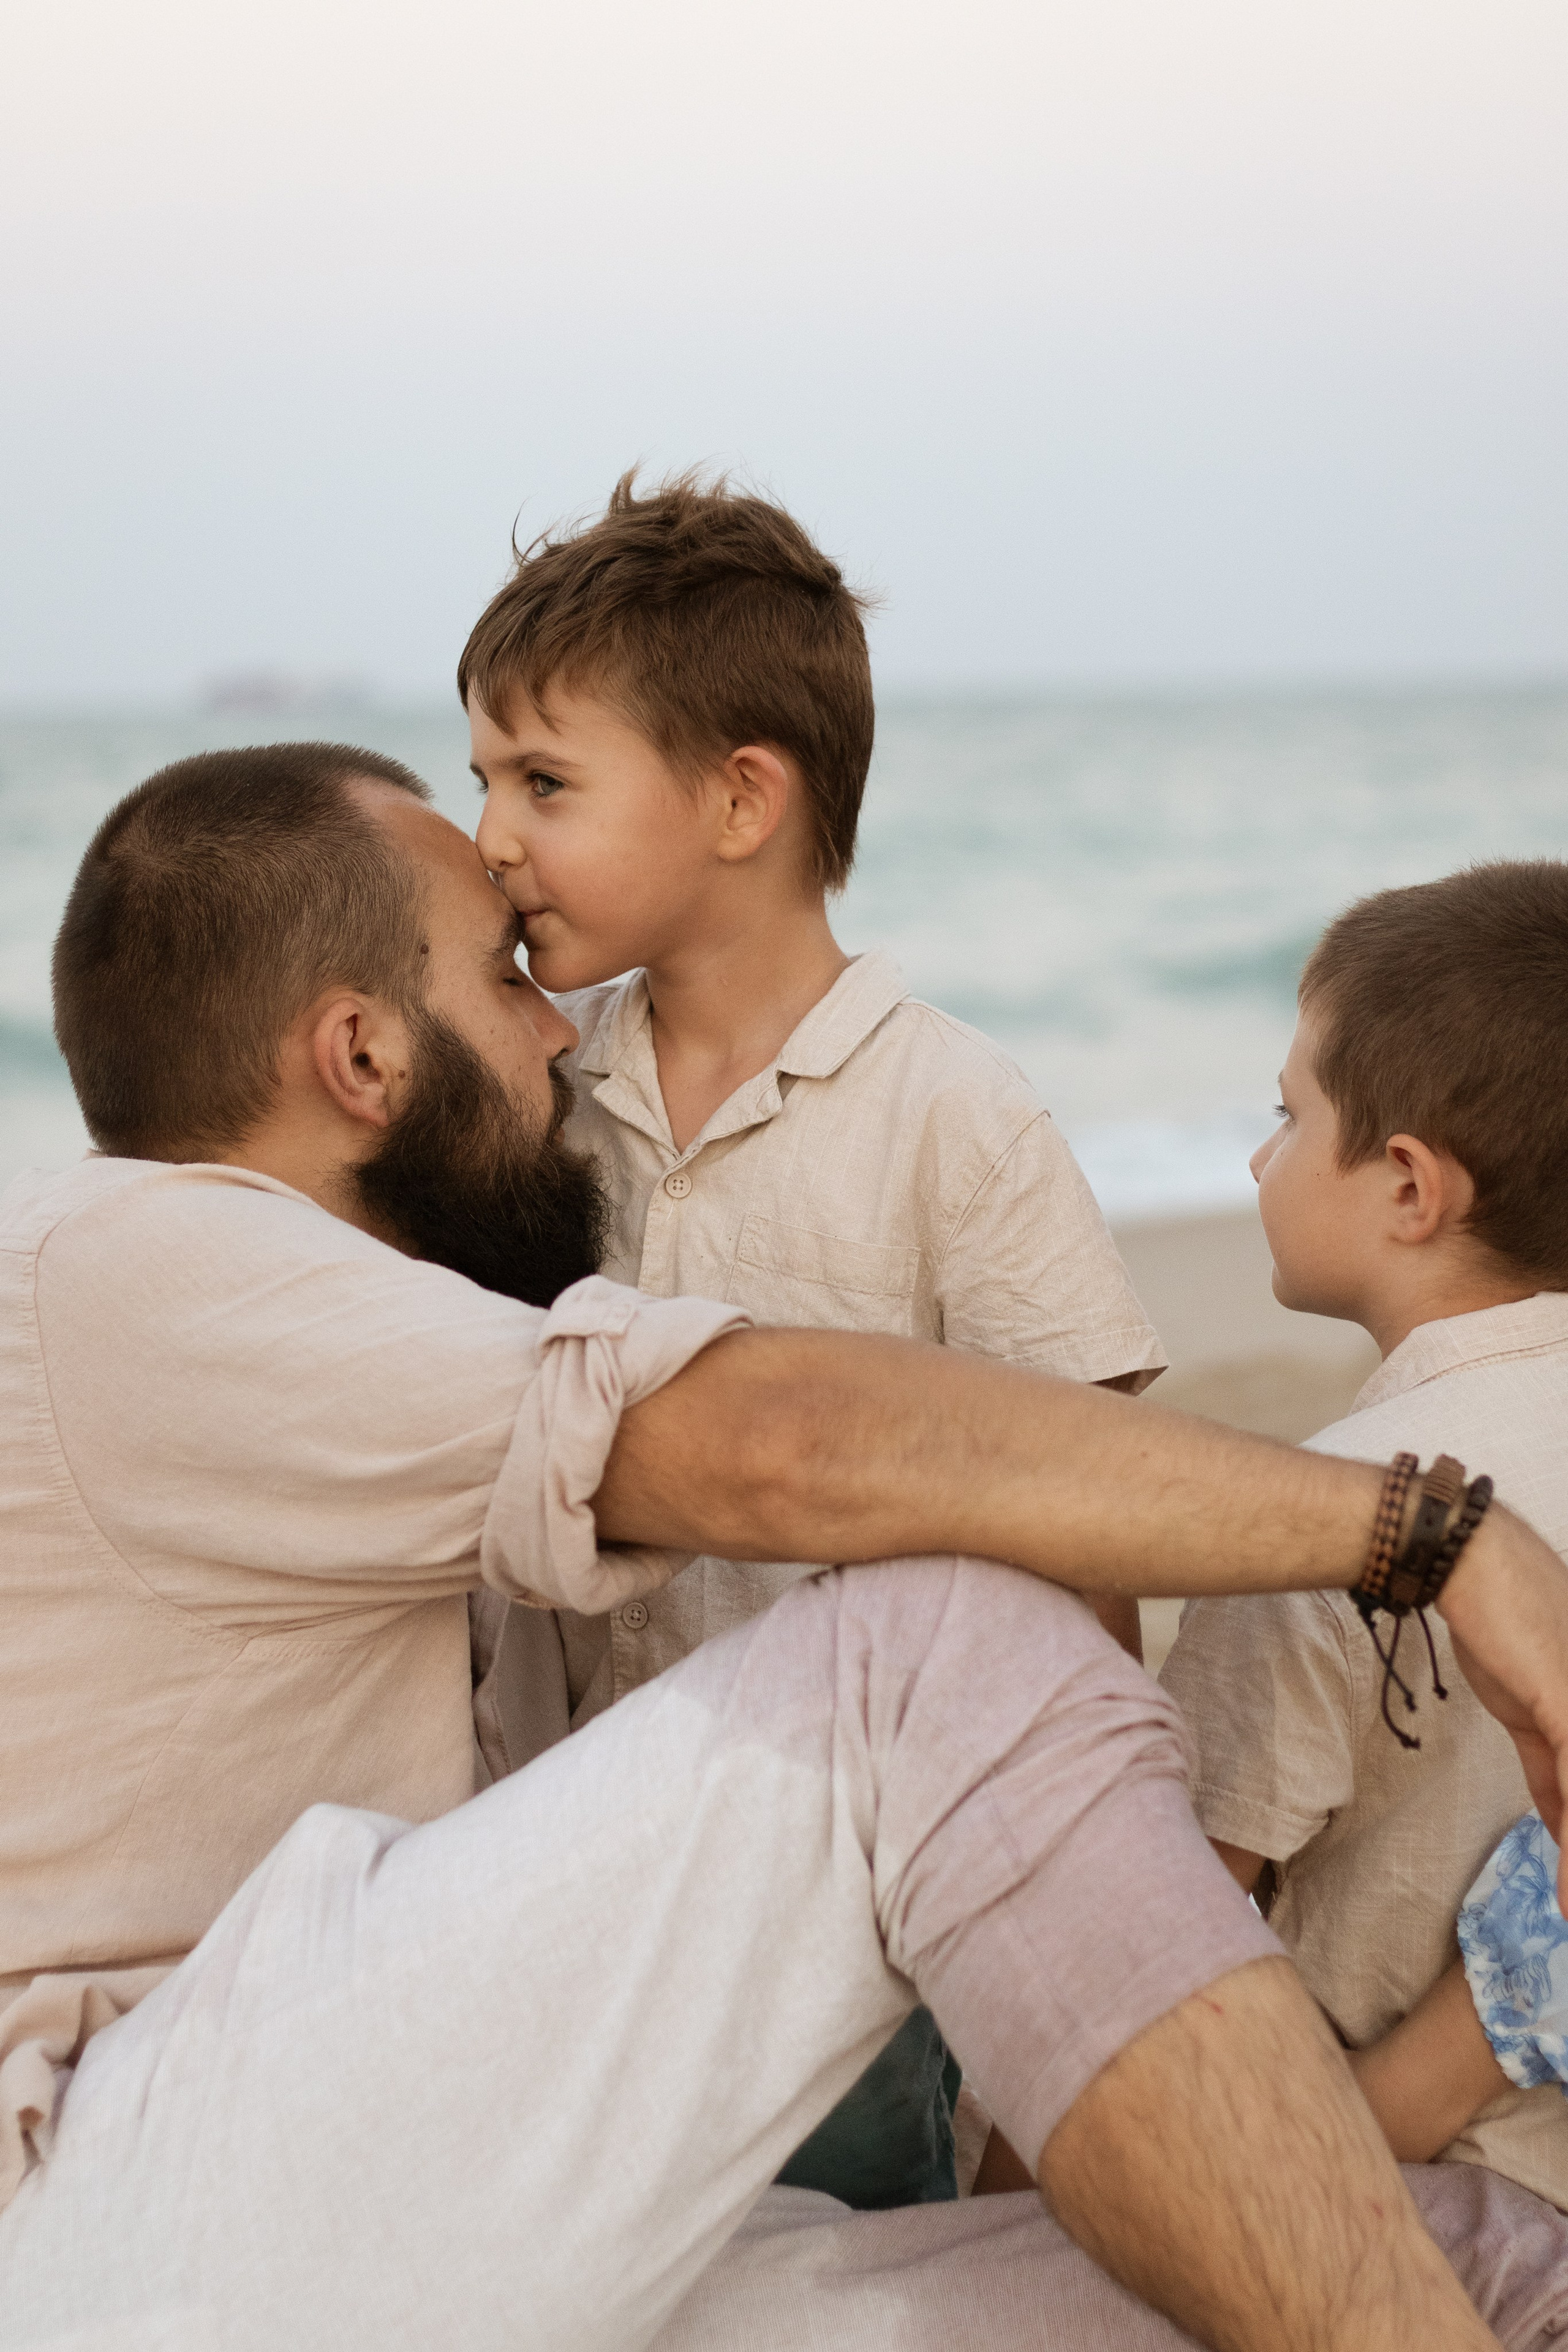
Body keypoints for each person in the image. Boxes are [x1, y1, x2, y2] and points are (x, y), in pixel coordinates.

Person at [4, 747, 1568, 2352]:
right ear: (360, 1054)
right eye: (502, 979)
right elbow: (779, 1444)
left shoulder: (388, 1376)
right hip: (127, 2228)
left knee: (1473, 2261)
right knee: (945, 1658)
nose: (559, 1029)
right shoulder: (120, 1257)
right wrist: (1432, 1534)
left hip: (431, 2223)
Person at [460, 470, 1164, 2207]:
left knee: (852, 2279)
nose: (489, 838)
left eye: (543, 781)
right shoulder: (538, 1102)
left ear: (741, 801)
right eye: (481, 779)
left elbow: (1090, 1530)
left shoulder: (954, 1115)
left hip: (847, 1912)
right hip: (565, 1876)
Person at [1161, 862, 1568, 2215]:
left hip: (1412, 2203)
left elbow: (1161, 1949)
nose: (1255, 1157)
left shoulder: (1334, 1514)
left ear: (1407, 1186)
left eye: (1287, 1116)